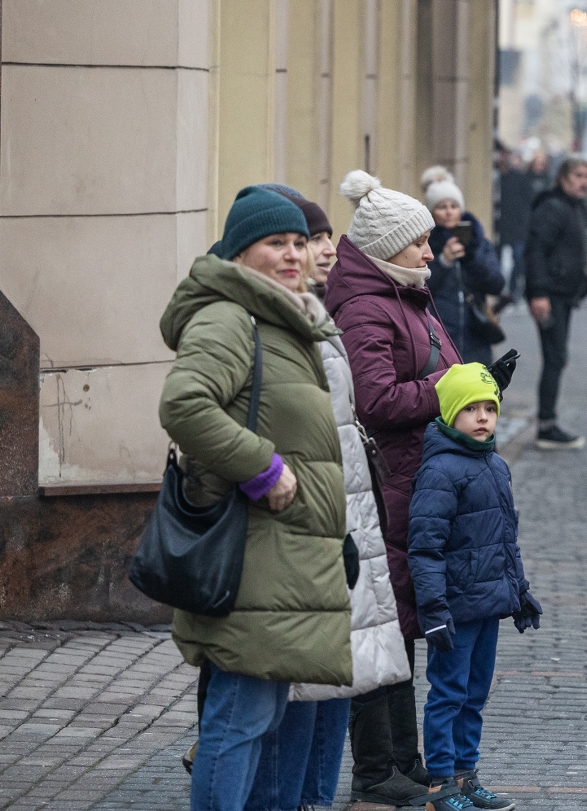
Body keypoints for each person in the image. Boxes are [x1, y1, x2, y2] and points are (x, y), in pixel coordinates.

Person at [158, 186, 351, 811]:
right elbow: (184, 405)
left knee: (262, 718)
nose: (294, 254)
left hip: (289, 554)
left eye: (299, 242)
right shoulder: (229, 317)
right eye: (276, 243)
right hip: (252, 553)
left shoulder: (284, 318)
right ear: (241, 253)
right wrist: (262, 469)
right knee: (238, 719)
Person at [246, 189, 411, 811]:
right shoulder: (265, 322)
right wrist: (266, 475)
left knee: (341, 671)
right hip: (301, 514)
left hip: (346, 508)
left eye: (314, 239)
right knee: (299, 685)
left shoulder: (316, 313)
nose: (318, 250)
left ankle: (313, 798)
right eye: (299, 241)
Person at [324, 171, 463, 807]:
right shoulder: (365, 307)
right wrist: (449, 391)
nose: (429, 252)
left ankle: (404, 762)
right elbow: (375, 399)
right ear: (387, 247)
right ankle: (376, 770)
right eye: (419, 242)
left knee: (399, 628)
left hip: (411, 480)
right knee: (380, 631)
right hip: (384, 485)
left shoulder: (407, 294)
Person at [408, 364, 542, 811]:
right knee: (448, 694)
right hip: (454, 608)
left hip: (487, 604)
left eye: (490, 408)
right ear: (450, 413)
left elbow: (505, 538)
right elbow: (425, 548)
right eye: (471, 409)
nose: (483, 417)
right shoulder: (440, 470)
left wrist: (518, 591)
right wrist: (433, 609)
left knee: (475, 694)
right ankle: (440, 784)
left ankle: (466, 776)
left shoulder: (495, 465)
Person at [524, 157, 587, 449]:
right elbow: (535, 251)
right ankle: (546, 425)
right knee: (554, 358)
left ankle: (548, 422)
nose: (584, 182)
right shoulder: (552, 207)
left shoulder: (575, 207)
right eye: (578, 175)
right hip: (551, 294)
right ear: (563, 177)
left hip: (564, 295)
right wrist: (538, 293)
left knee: (557, 357)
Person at [422, 167, 506, 366]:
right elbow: (421, 288)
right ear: (432, 212)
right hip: (438, 334)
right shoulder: (424, 244)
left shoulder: (479, 243)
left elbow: (496, 284)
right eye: (442, 206)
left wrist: (471, 258)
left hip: (475, 336)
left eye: (454, 205)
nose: (449, 211)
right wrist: (443, 262)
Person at [495, 151, 536, 302]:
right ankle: (500, 289)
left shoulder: (519, 178)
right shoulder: (495, 179)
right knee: (497, 258)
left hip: (517, 227)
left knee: (518, 258)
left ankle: (513, 289)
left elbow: (529, 201)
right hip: (500, 227)